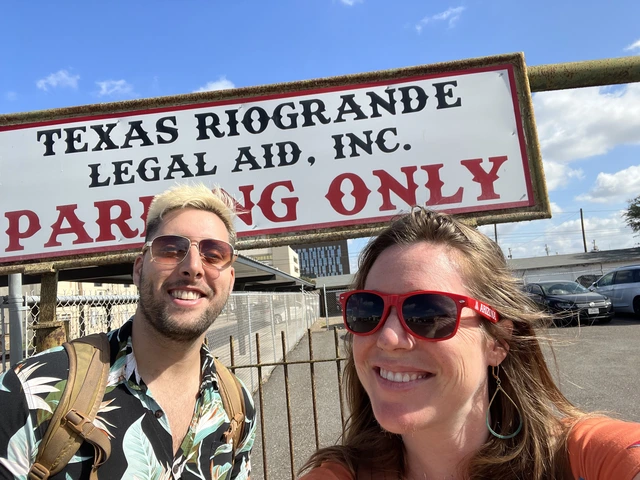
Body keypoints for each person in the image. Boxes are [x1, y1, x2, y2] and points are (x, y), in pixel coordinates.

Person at [299, 207, 640, 480]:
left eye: (428, 314)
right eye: (367, 310)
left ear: (498, 342)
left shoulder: (586, 460)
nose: (388, 337)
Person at [0, 183, 257, 479]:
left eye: (214, 254)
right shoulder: (27, 392)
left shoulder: (238, 406)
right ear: (138, 270)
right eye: (171, 249)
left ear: (231, 280)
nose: (193, 267)